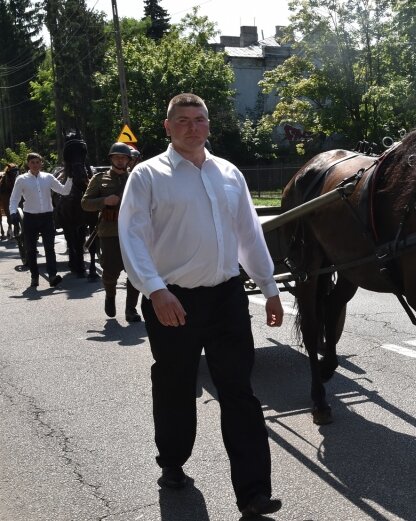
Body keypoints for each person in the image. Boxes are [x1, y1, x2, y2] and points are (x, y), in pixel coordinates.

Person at [118, 93, 284, 517]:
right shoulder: (147, 175)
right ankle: (172, 461)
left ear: (209, 125)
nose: (193, 127)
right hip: (174, 300)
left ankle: (253, 493)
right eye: (183, 120)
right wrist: (155, 290)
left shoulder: (229, 173)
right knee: (175, 385)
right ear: (167, 126)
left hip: (227, 297)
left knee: (240, 391)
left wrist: (268, 286)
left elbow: (249, 233)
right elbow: (132, 237)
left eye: (200, 119)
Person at [81, 142, 140, 322]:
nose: (120, 160)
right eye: (117, 157)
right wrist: (105, 200)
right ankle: (110, 296)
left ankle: (131, 309)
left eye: (124, 158)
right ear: (111, 159)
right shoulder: (99, 179)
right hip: (110, 232)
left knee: (135, 273)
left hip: (133, 233)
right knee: (110, 272)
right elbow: (85, 203)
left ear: (129, 160)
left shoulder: (136, 179)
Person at [8, 152, 72, 287]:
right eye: (32, 162)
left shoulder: (48, 178)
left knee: (49, 248)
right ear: (28, 164)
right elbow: (14, 199)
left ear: (41, 163)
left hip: (47, 217)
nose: (35, 165)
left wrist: (70, 178)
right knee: (30, 250)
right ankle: (34, 277)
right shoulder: (21, 179)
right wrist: (13, 212)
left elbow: (64, 191)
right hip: (30, 218)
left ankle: (53, 276)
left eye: (38, 162)